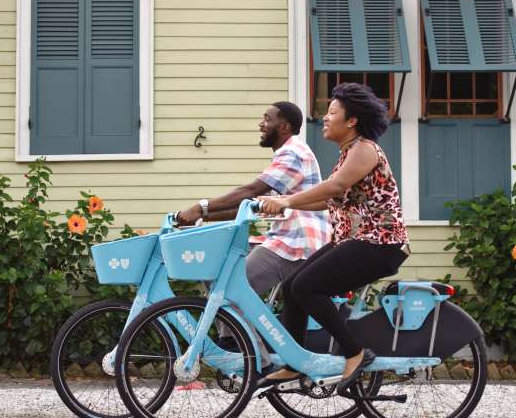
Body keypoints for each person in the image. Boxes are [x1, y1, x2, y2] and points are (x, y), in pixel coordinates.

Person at [256, 83, 408, 395]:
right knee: (291, 286)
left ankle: (355, 351)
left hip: (380, 243)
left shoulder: (365, 150)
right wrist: (285, 201)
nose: (324, 119)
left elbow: (335, 188)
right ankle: (295, 360)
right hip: (354, 241)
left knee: (307, 287)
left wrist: (286, 201)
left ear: (351, 121)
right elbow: (327, 201)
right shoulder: (347, 154)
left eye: (332, 113)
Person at [175, 101, 330, 296]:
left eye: (267, 119)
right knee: (215, 261)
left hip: (297, 242)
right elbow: (252, 204)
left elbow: (252, 190)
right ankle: (242, 324)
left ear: (284, 127)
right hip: (285, 238)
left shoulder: (293, 153)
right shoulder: (285, 155)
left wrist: (200, 207)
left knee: (228, 289)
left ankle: (238, 327)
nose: (261, 124)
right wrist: (203, 216)